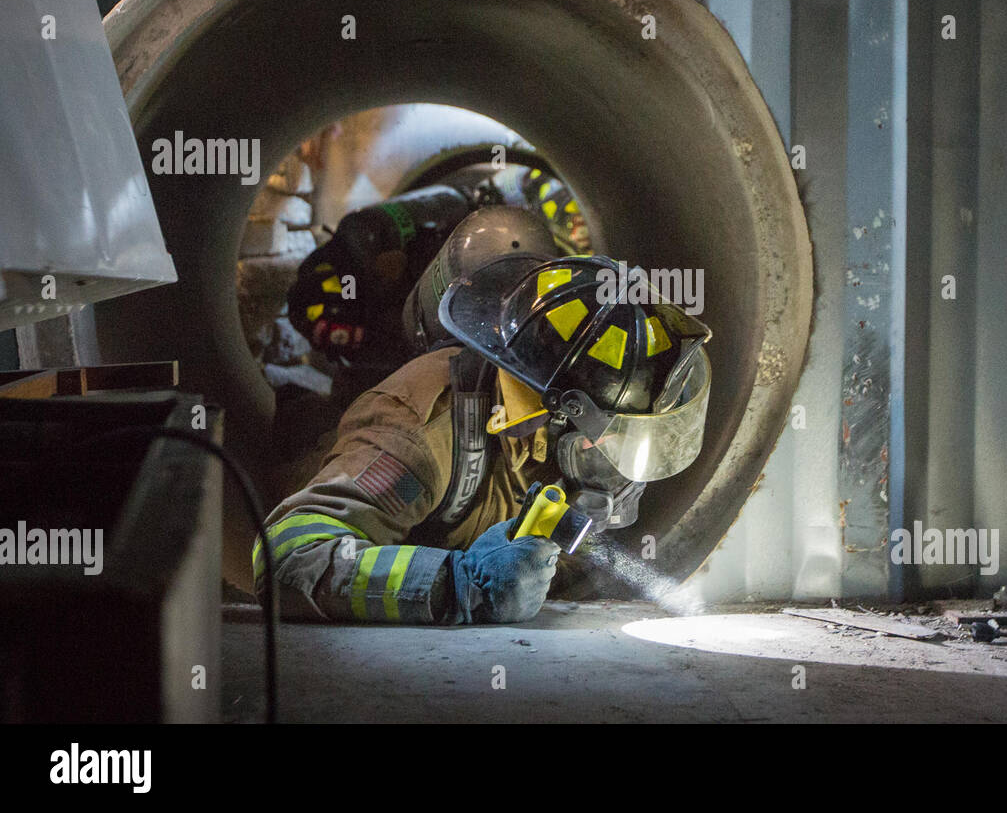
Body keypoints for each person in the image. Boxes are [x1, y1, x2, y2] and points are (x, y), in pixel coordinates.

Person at [254, 227, 712, 625]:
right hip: (325, 449)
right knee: (299, 423)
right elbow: (289, 559)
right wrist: (456, 586)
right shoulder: (423, 430)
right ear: (555, 414)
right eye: (610, 437)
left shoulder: (572, 438)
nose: (618, 464)